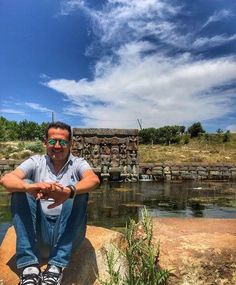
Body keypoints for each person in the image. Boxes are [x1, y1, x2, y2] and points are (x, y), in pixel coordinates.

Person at [0, 121, 100, 285]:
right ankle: (29, 267)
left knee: (78, 192)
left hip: (68, 237)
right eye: (53, 141)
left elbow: (93, 180)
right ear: (45, 142)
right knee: (20, 189)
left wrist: (68, 191)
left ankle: (56, 266)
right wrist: (29, 187)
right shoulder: (36, 161)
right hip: (39, 236)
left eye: (63, 142)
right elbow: (6, 179)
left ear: (70, 144)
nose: (58, 146)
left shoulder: (78, 163)